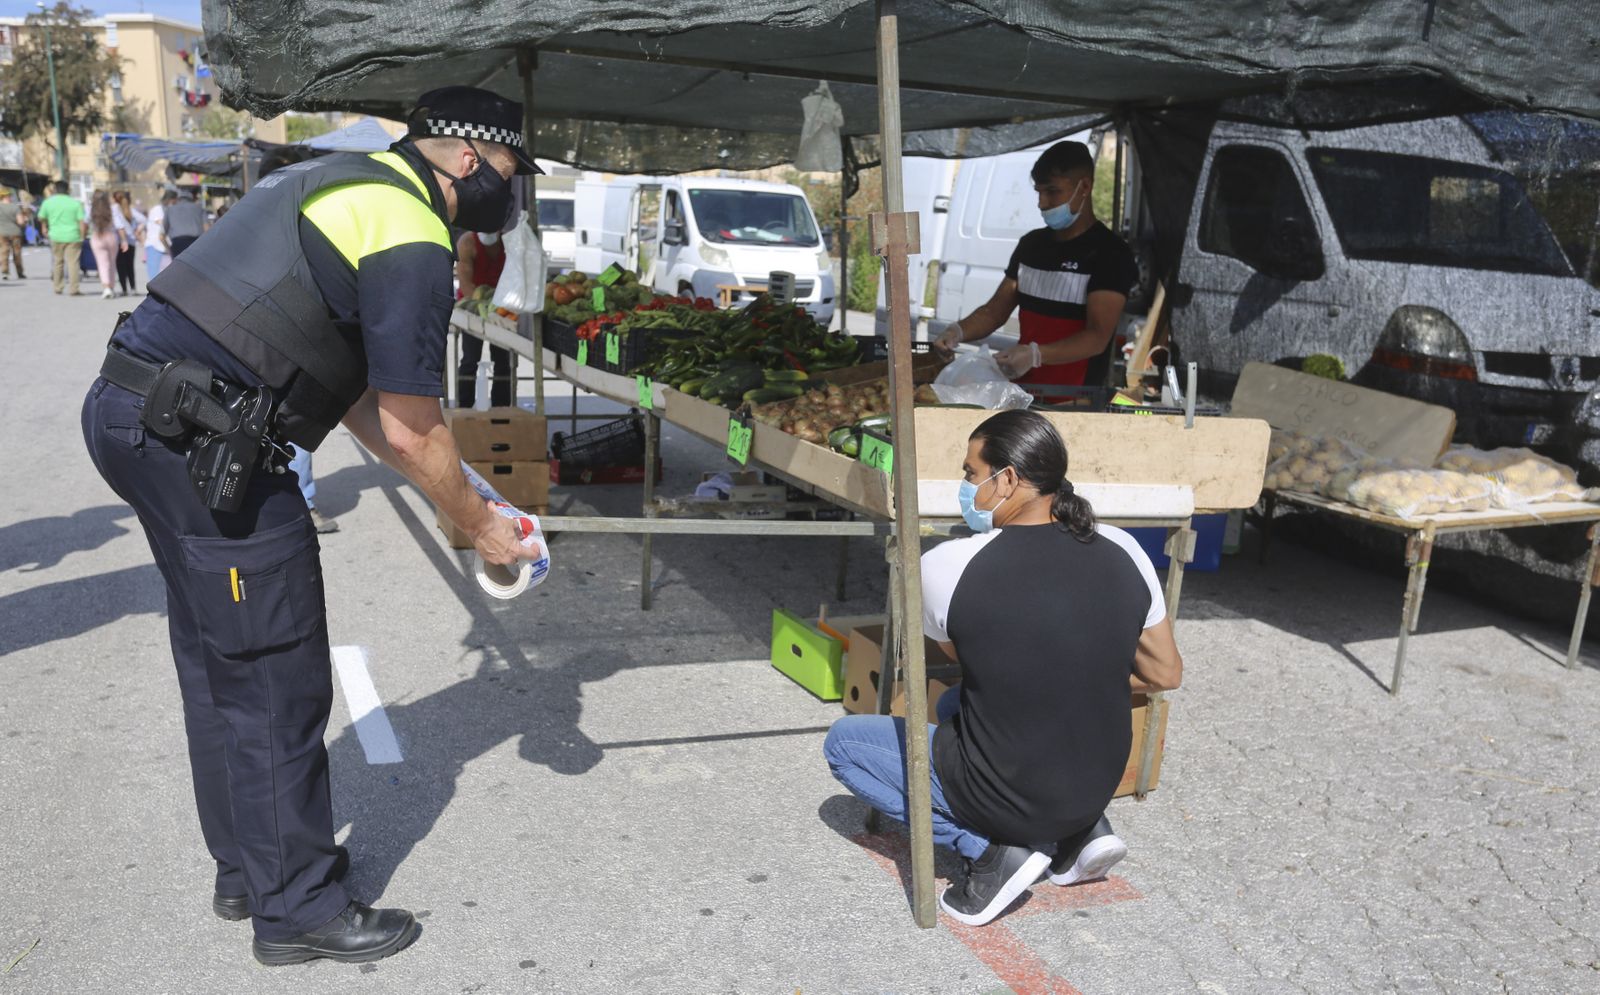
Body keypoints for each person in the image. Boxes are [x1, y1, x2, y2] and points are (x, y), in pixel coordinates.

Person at [81, 85, 543, 966]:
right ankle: (295, 907)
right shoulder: (409, 230)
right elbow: (412, 426)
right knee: (272, 671)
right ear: (473, 159)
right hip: (206, 443)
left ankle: (248, 868)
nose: (513, 193)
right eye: (515, 171)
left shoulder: (345, 181)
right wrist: (484, 527)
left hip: (136, 413)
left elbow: (366, 400)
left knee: (219, 654)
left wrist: (457, 489)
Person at [823, 409, 1182, 927]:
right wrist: (1087, 665)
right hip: (1094, 785)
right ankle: (1081, 833)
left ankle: (993, 851)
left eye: (971, 473)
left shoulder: (946, 565)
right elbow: (1165, 672)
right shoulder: (1125, 547)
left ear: (1007, 478)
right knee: (953, 707)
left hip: (1011, 789)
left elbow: (963, 659)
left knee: (845, 745)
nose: (966, 486)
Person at [933, 142, 1139, 397]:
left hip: (1076, 401)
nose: (1042, 203)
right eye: (1038, 192)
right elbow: (994, 311)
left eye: (1052, 192)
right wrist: (958, 330)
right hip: (1023, 393)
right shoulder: (1031, 245)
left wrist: (1036, 354)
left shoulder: (1110, 253)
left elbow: (1097, 336)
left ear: (1084, 187)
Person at [454, 227, 513, 408]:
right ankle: (464, 406)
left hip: (501, 310)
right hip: (473, 307)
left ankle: (501, 408)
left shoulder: (509, 244)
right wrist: (483, 308)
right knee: (470, 359)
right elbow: (466, 282)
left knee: (503, 361)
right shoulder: (467, 243)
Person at [36, 181, 86, 295]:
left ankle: (58, 287)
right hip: (73, 236)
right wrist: (82, 236)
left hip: (55, 235)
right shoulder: (75, 203)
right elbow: (81, 222)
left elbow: (41, 217)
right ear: (68, 189)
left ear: (55, 190)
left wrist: (44, 227)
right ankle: (74, 289)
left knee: (58, 262)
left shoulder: (48, 202)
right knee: (73, 263)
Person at [88, 191, 121, 299]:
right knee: (111, 263)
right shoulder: (113, 209)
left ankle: (106, 288)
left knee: (102, 263)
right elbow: (120, 225)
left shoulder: (90, 209)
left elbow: (84, 223)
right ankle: (111, 287)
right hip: (111, 236)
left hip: (97, 237)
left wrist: (82, 235)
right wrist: (124, 240)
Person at [112, 190, 143, 295]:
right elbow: (144, 219)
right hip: (131, 242)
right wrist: (138, 230)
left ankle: (124, 289)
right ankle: (133, 288)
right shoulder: (130, 210)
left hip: (119, 241)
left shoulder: (114, 209)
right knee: (130, 266)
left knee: (120, 266)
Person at [163, 187, 207, 257]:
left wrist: (169, 250)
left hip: (177, 245)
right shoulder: (199, 208)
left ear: (178, 199)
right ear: (192, 198)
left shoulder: (169, 210)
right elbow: (207, 229)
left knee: (178, 268)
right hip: (195, 244)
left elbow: (161, 236)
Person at [144, 190, 173, 280]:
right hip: (154, 246)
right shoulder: (157, 209)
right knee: (154, 276)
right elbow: (161, 222)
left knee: (164, 277)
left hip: (164, 246)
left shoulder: (167, 209)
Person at [0, 189, 25, 279]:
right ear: (8, 196)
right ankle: (20, 272)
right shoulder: (15, 207)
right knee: (17, 253)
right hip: (15, 233)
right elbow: (20, 221)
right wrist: (24, 220)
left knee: (4, 252)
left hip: (2, 233)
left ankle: (5, 272)